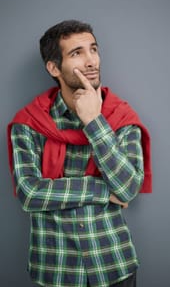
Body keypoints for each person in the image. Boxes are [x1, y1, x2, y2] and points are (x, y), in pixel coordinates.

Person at [7, 20, 152, 287]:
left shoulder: (120, 117)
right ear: (53, 67)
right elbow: (29, 193)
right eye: (77, 53)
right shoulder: (29, 122)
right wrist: (102, 192)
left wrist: (94, 121)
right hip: (56, 268)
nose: (91, 61)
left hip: (113, 265)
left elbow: (129, 188)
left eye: (93, 49)